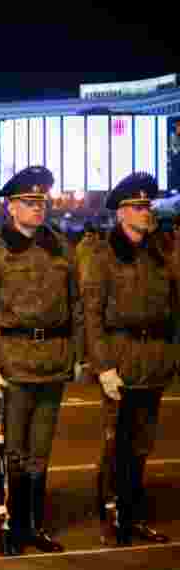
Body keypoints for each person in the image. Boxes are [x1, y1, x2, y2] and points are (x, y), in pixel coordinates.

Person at [0, 166, 83, 556]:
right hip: (13, 360)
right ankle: (10, 527)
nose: (38, 209)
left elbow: (77, 305)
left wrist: (77, 354)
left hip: (52, 360)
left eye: (42, 203)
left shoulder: (60, 247)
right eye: (30, 203)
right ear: (11, 207)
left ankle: (34, 525)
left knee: (40, 450)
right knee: (13, 451)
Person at [81, 172, 174, 547]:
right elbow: (92, 314)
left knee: (142, 443)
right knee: (116, 440)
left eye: (147, 206)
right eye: (137, 207)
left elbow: (172, 306)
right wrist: (103, 366)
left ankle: (134, 515)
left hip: (153, 358)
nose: (145, 212)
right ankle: (113, 513)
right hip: (121, 355)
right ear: (121, 214)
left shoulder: (158, 252)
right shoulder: (102, 254)